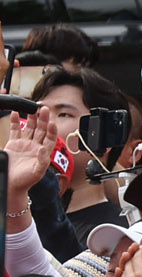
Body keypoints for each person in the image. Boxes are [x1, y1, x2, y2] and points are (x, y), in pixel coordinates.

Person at [34, 67, 133, 243]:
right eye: (38, 112)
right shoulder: (25, 222)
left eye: (63, 114)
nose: (43, 122)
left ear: (102, 135)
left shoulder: (113, 234)